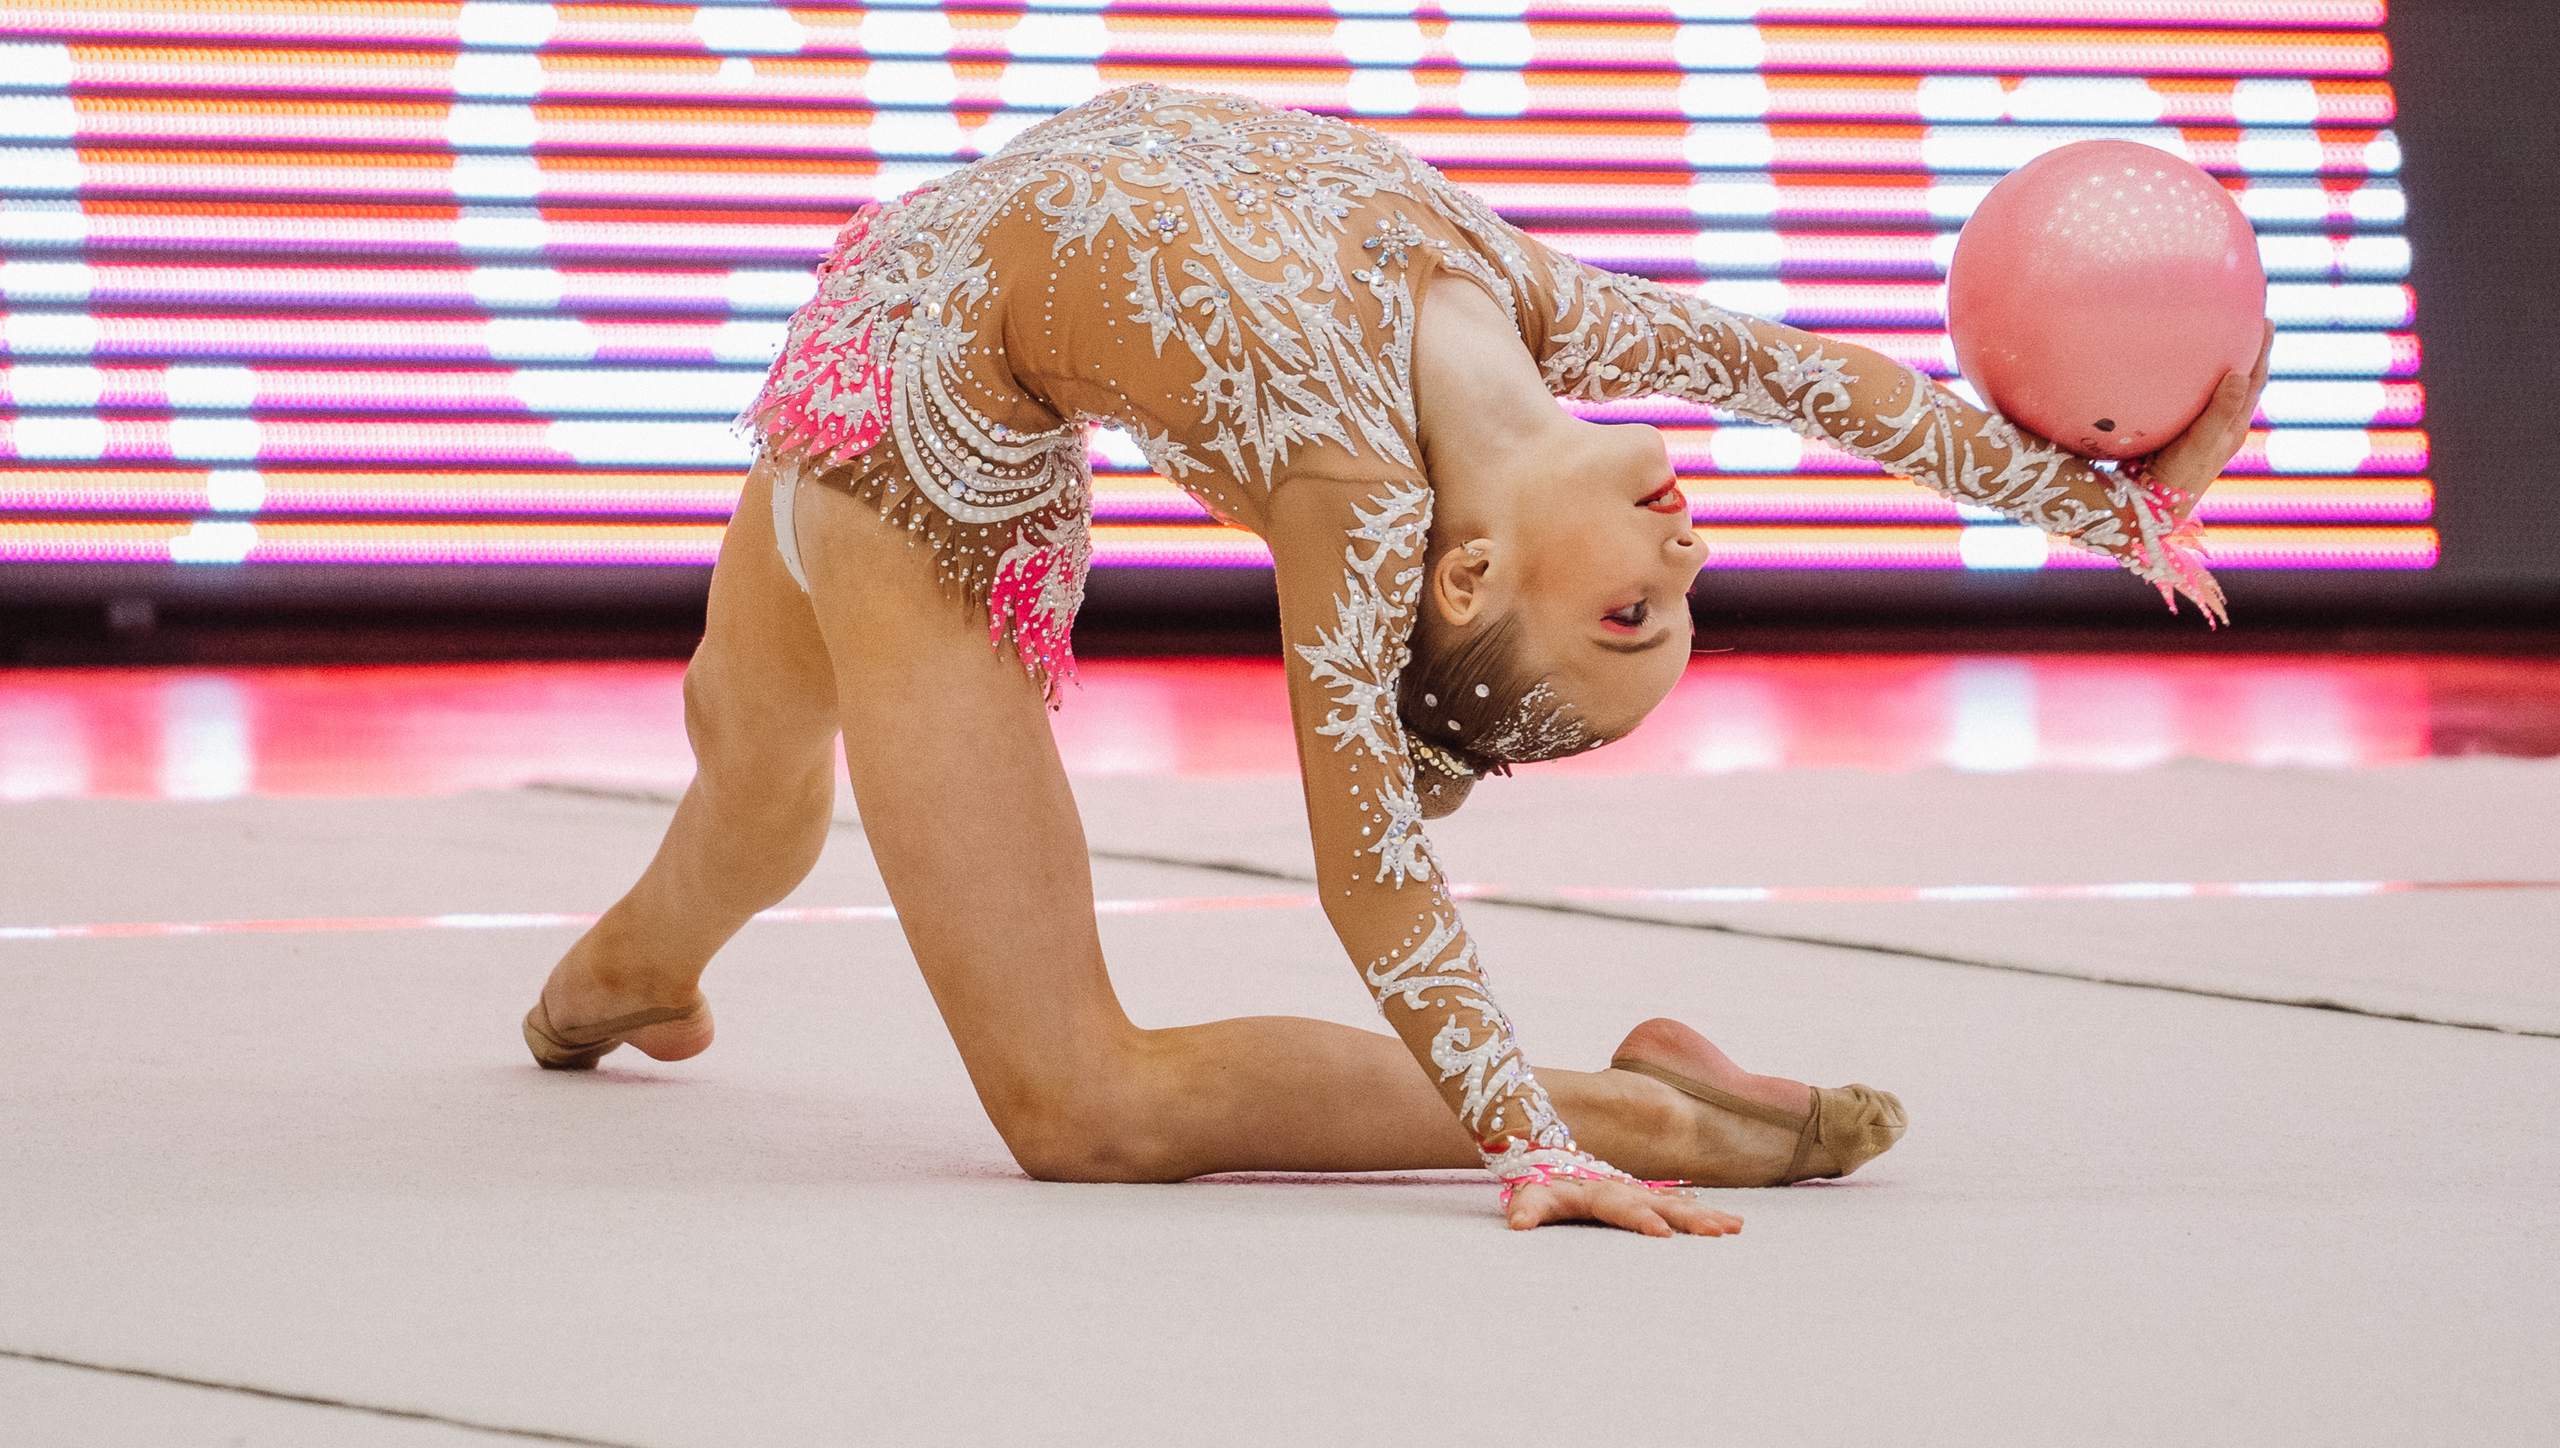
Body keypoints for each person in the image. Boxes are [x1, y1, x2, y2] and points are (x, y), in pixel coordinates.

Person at [522, 86, 2272, 1237]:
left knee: (1083, 1105)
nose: (1690, 554)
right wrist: (2123, 516)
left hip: (930, 450)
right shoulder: (1536, 306)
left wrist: (1531, 1132)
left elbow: (1374, 870)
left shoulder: (1360, 501)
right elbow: (1836, 383)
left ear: (1471, 574)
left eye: (1631, 616)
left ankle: (1636, 1111)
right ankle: (619, 982)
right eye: (1674, 602)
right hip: (891, 294)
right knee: (749, 772)